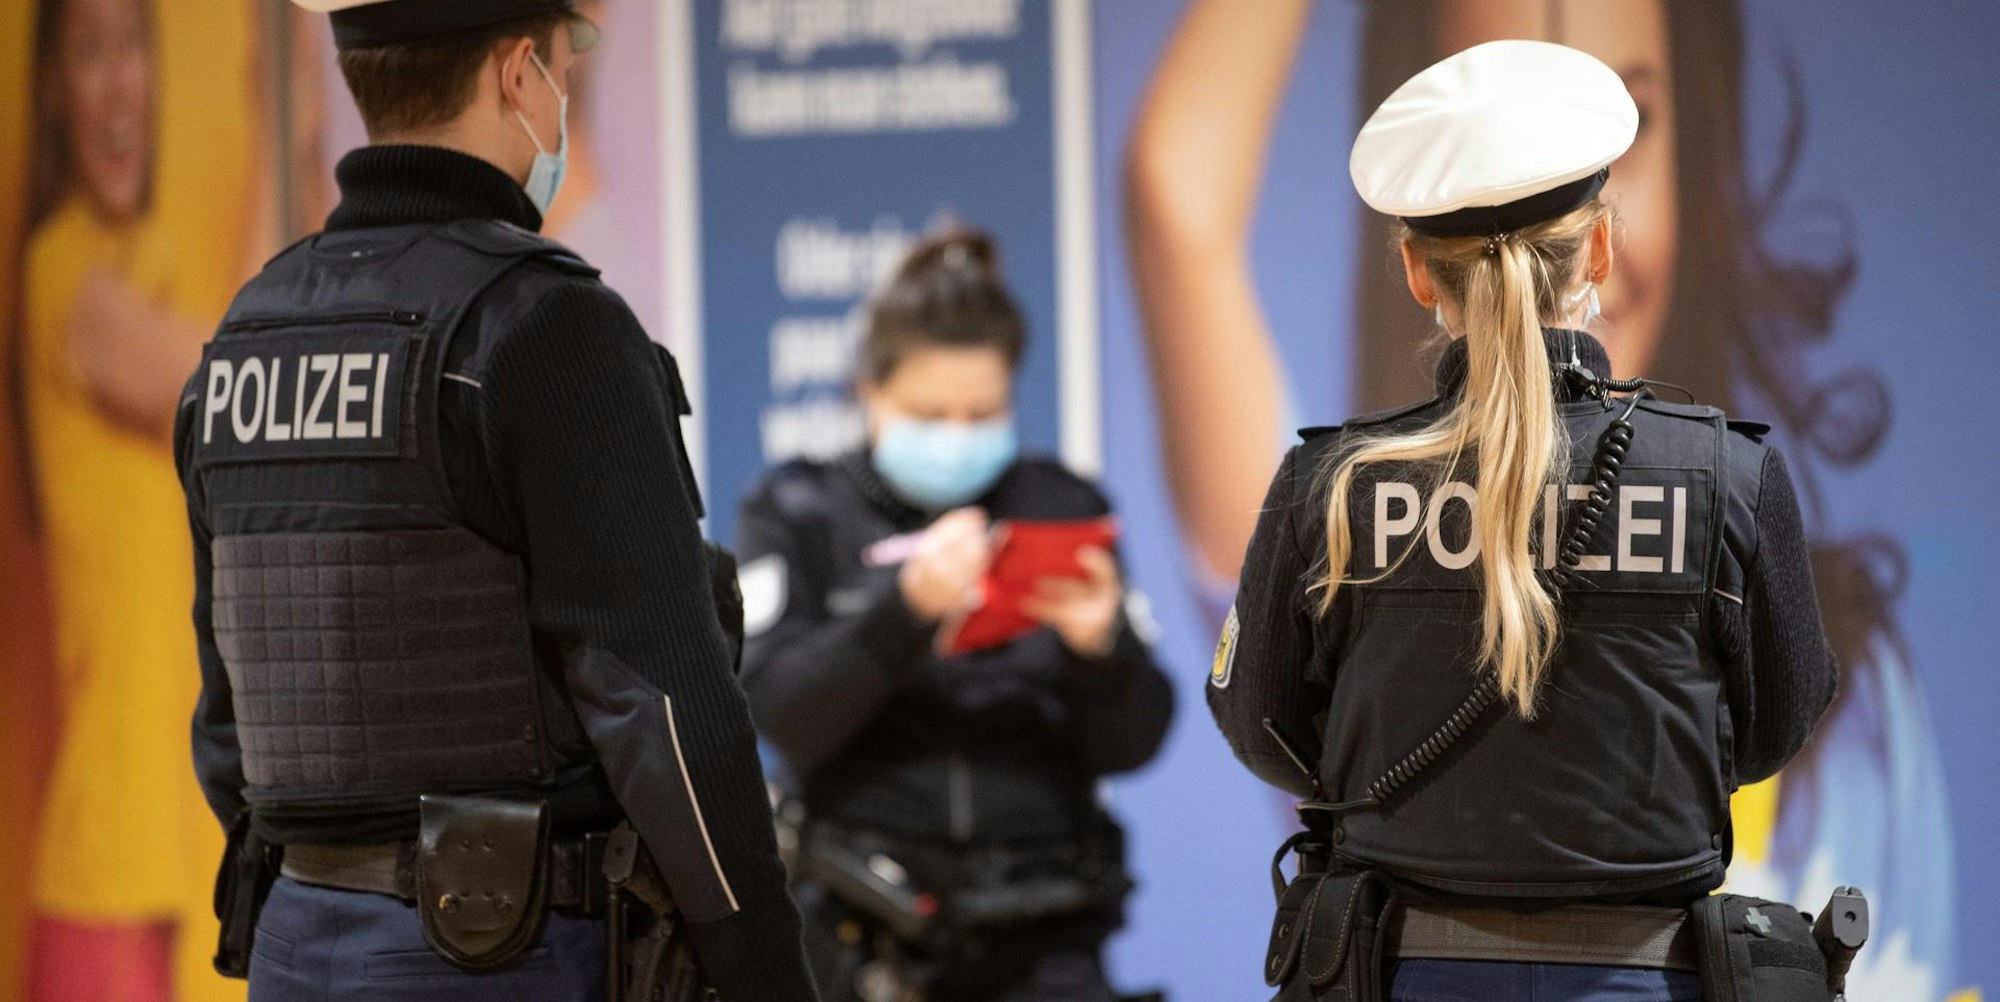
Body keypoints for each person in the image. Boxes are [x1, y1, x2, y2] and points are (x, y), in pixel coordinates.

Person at [1126, 2, 1952, 995]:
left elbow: (1260, 724)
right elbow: (1774, 726)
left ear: (1416, 272)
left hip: (1407, 974)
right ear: (1596, 251)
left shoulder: (1329, 487)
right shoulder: (1727, 478)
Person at [171, 1, 816, 998]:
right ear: (520, 72)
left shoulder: (242, 338)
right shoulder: (546, 327)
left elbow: (228, 714)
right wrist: (769, 975)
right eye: (566, 61)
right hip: (502, 949)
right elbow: (663, 709)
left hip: (296, 946)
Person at [736, 227, 1174, 1002]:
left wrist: (1101, 650)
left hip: (1045, 925)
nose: (959, 435)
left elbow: (1134, 742)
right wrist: (904, 611)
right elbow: (779, 713)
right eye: (931, 413)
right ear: (870, 392)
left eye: (983, 413)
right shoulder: (797, 510)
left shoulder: (1062, 507)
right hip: (860, 924)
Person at [19, 0, 271, 996]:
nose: (121, 82)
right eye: (90, 51)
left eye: (135, 46)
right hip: (107, 883)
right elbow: (246, 392)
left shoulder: (155, 264)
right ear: (54, 91)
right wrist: (276, 112)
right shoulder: (65, 281)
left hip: (188, 871)